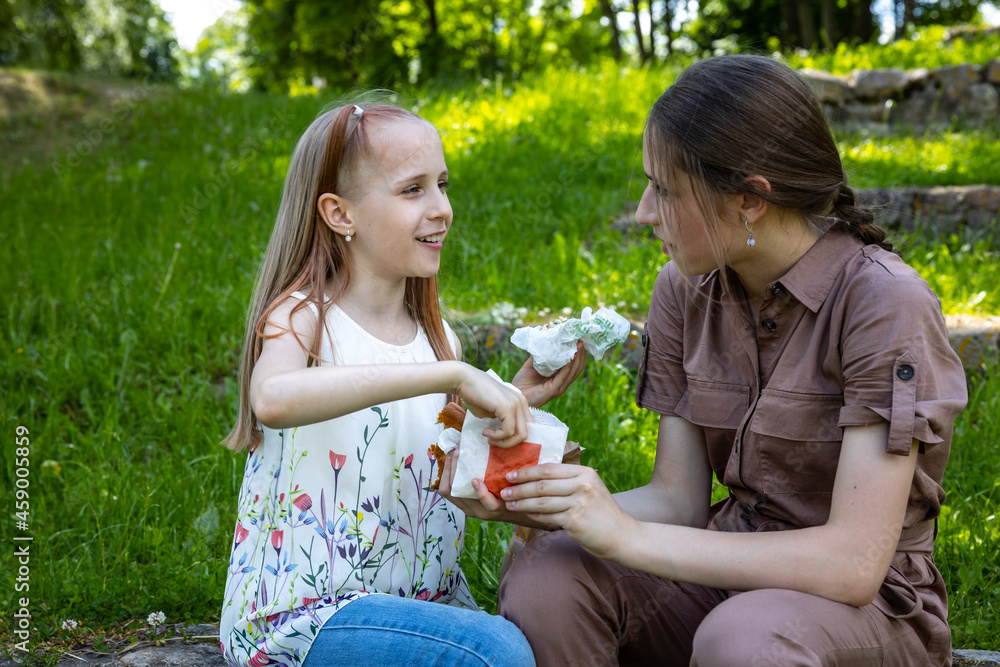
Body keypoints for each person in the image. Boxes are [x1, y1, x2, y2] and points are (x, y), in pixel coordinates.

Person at [491, 55, 969, 666]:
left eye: (664, 190)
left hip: (867, 608)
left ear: (750, 199)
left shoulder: (883, 303)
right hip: (726, 572)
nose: (642, 212)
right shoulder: (682, 289)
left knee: (744, 636)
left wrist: (627, 535)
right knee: (549, 574)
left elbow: (853, 565)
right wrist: (538, 501)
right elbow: (678, 501)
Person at [218, 101, 583, 667]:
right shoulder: (303, 318)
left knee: (548, 621)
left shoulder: (437, 341)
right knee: (496, 653)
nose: (442, 208)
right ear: (341, 214)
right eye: (412, 190)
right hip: (302, 619)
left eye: (442, 184)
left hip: (415, 604)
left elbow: (433, 468)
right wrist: (454, 376)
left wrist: (516, 401)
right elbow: (272, 399)